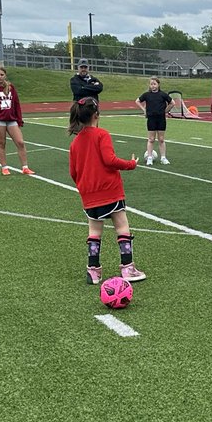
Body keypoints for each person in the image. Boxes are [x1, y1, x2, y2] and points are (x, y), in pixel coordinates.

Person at [68, 97, 145, 285]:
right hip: (109, 190)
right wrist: (131, 164)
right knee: (121, 225)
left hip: (89, 194)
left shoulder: (75, 143)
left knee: (94, 231)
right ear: (96, 115)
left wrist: (84, 187)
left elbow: (73, 172)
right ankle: (127, 267)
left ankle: (93, 270)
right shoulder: (102, 134)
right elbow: (110, 160)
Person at [0, 64, 34, 176]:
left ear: (5, 75)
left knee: (20, 142)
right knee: (1, 143)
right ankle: (4, 167)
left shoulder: (11, 88)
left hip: (11, 120)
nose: (0, 77)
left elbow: (16, 104)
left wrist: (19, 119)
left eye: (2, 74)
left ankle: (25, 167)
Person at [136, 77, 174, 165]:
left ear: (158, 84)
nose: (153, 86)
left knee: (161, 139)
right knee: (151, 139)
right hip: (151, 119)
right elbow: (137, 101)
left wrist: (166, 110)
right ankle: (149, 157)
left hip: (161, 119)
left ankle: (163, 157)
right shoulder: (146, 95)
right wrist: (144, 110)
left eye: (154, 84)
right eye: (151, 84)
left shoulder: (163, 94)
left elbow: (172, 103)